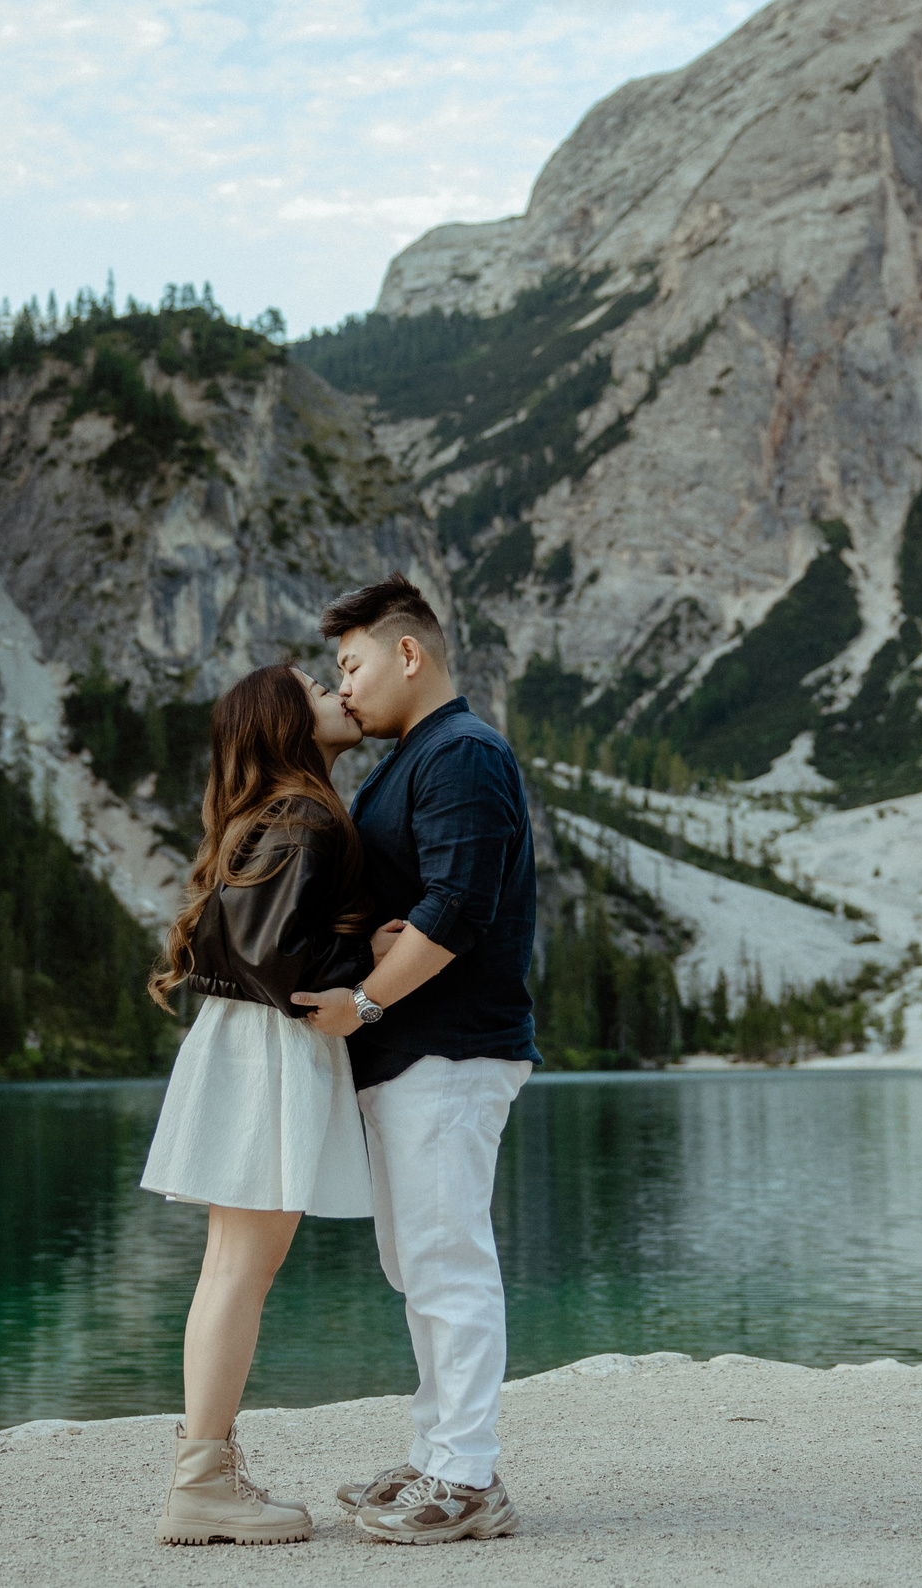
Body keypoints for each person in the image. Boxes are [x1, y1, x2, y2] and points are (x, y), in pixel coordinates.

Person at [293, 574, 540, 1545]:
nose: (341, 685)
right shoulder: (409, 759)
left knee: (446, 1257)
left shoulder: (463, 753)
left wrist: (362, 999)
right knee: (414, 1259)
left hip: (451, 1048)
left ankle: (468, 1476)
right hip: (411, 1052)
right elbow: (423, 904)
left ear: (409, 653)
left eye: (350, 664)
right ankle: (440, 1450)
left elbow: (457, 907)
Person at [137, 661, 381, 1546]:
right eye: (320, 688)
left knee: (229, 1266)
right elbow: (280, 960)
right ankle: (201, 1480)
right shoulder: (307, 816)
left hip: (235, 1045)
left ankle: (205, 1470)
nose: (338, 695)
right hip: (270, 1051)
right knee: (244, 1268)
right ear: (289, 722)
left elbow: (248, 941)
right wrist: (366, 952)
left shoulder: (267, 813)